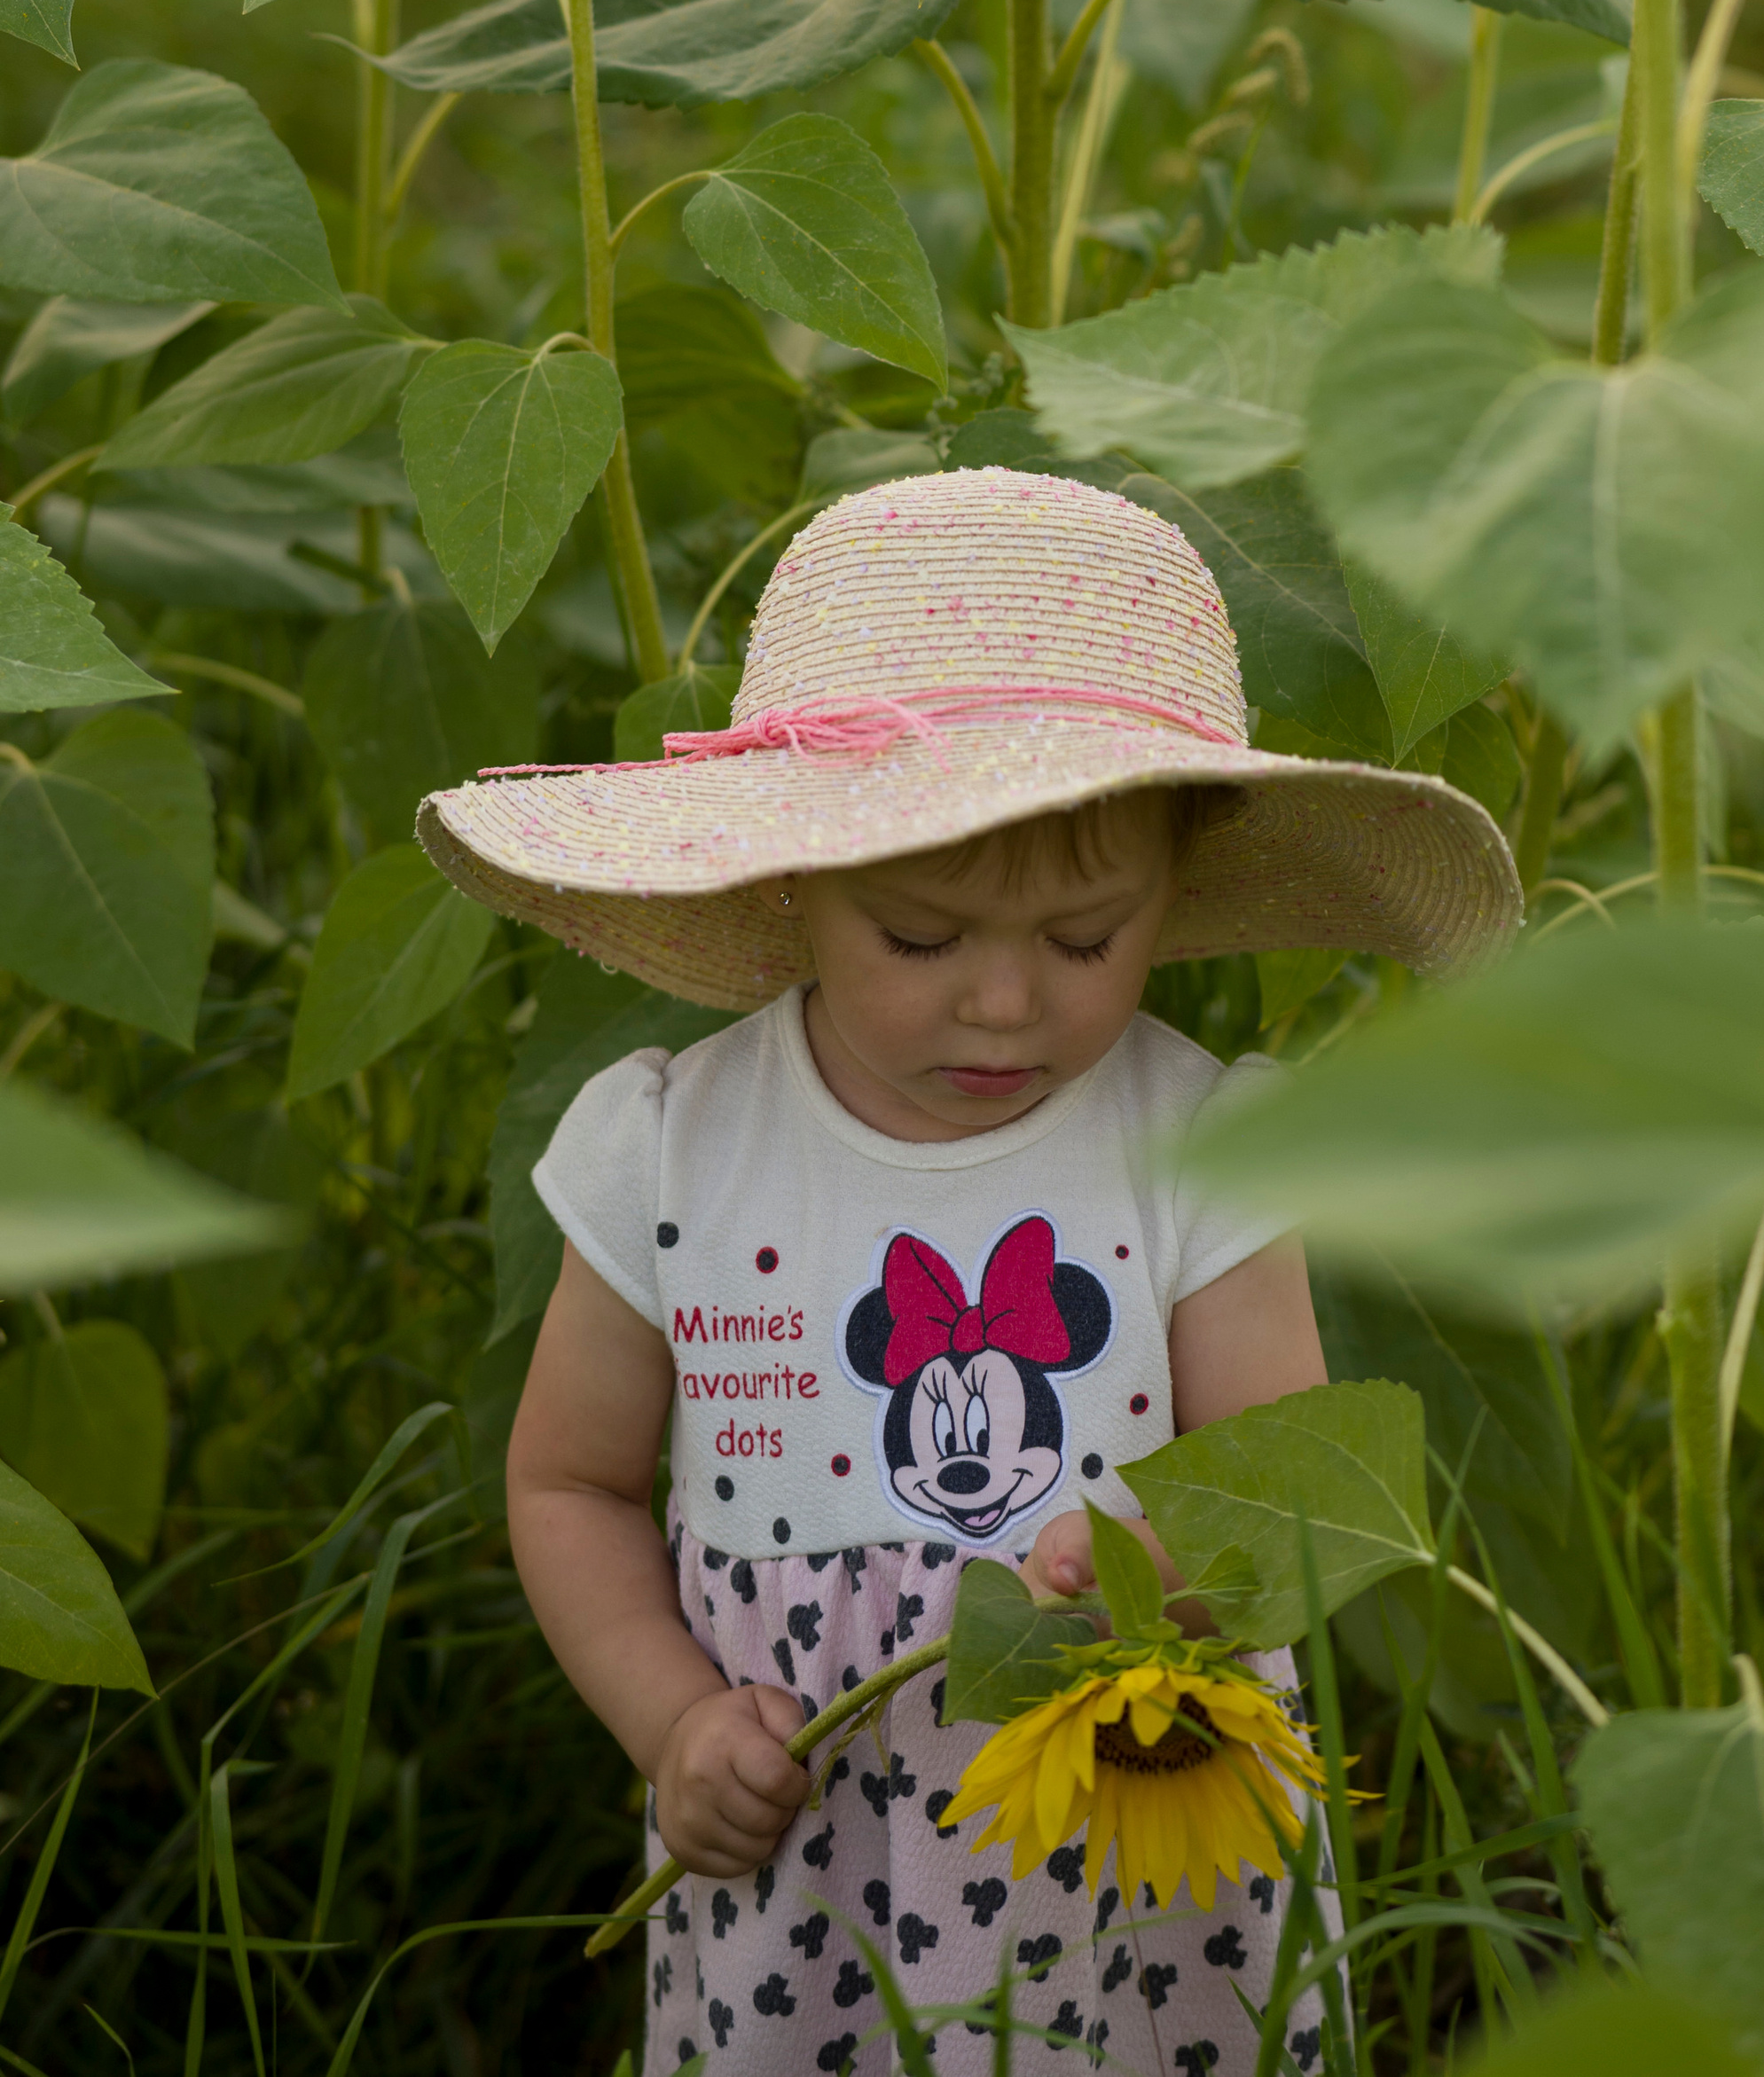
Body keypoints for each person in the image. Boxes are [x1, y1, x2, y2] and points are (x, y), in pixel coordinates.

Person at [419, 466, 1517, 2072]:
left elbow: (1292, 1494)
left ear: (1180, 879)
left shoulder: (1201, 1146)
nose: (1004, 1005)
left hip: (1139, 1829)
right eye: (922, 939)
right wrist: (673, 1722)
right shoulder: (671, 1151)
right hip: (808, 1858)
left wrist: (1158, 1558)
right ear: (789, 872)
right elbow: (569, 1485)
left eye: (1085, 940)